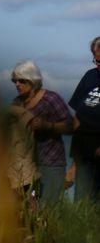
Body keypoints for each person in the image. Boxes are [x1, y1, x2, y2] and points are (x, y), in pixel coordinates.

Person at [10, 60, 71, 205]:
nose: (17, 84)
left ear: (33, 81)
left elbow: (70, 126)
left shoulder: (50, 99)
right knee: (28, 207)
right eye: (15, 81)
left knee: (49, 207)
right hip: (27, 164)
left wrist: (47, 125)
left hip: (51, 161)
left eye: (22, 80)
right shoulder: (17, 103)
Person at [69, 36, 100, 202]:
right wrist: (74, 163)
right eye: (96, 60)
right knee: (82, 206)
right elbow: (77, 118)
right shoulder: (90, 76)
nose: (97, 65)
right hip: (85, 155)